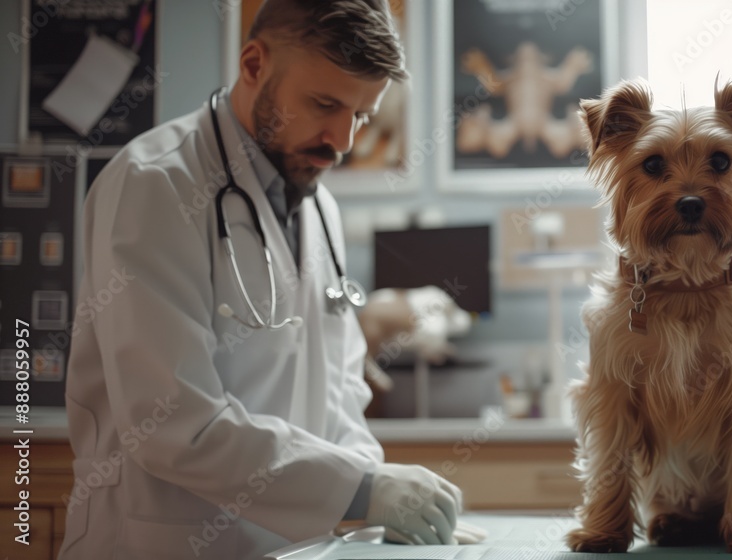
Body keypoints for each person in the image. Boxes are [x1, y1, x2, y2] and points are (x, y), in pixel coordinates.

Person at [59, 1, 462, 558]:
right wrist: (363, 489)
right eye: (324, 104)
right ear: (253, 65)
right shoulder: (155, 185)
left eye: (362, 116)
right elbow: (174, 421)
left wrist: (379, 504)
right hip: (161, 541)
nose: (342, 140)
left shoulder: (320, 206)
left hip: (293, 547)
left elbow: (339, 392)